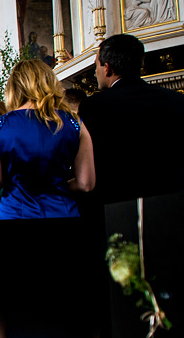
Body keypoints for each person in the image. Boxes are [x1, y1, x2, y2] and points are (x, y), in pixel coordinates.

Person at [78, 33, 184, 208]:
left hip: (115, 205)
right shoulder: (176, 100)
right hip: (171, 203)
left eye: (96, 65)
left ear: (107, 68)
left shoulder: (93, 107)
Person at [0, 59, 95, 220]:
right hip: (63, 214)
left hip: (15, 216)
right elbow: (86, 184)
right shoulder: (74, 122)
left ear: (14, 87)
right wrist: (58, 186)